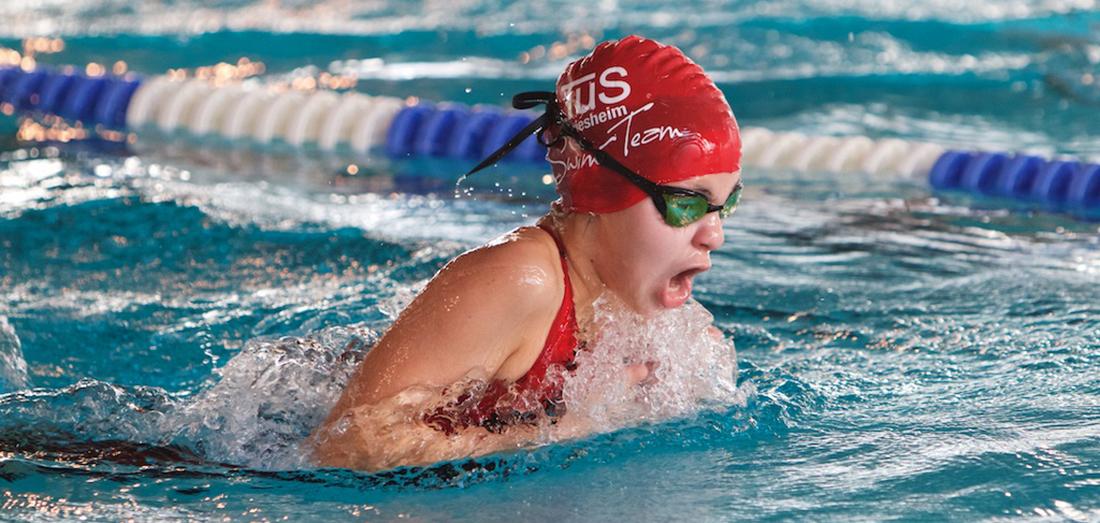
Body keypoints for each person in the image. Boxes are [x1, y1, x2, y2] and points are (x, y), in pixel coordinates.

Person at [310, 34, 743, 472]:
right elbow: (347, 444)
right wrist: (566, 430)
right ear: (603, 189)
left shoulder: (643, 313)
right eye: (685, 202)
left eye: (726, 205)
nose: (714, 235)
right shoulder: (520, 278)